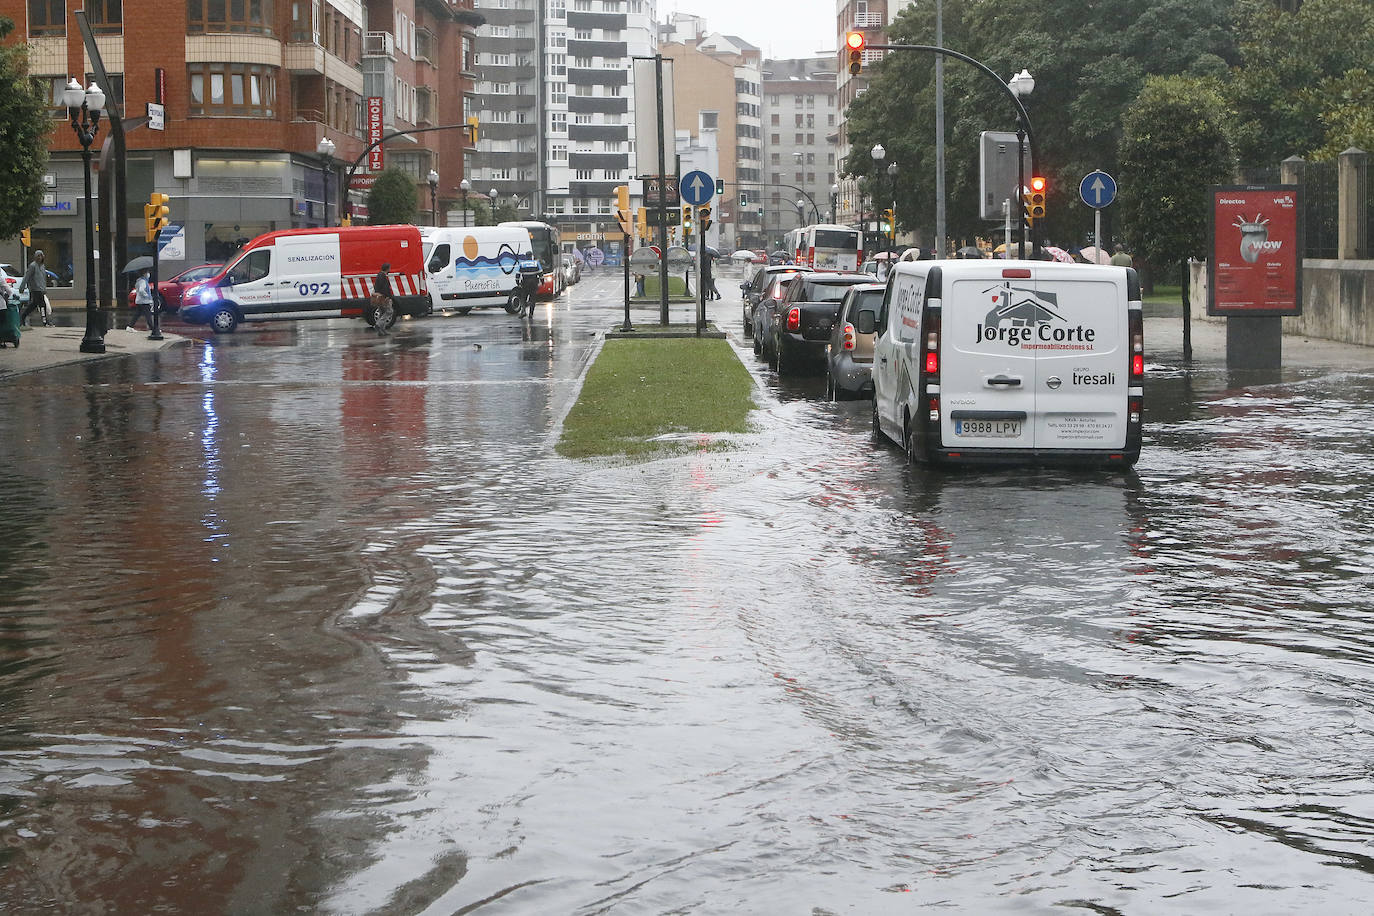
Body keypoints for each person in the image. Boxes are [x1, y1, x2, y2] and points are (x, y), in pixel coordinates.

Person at [18, 250, 51, 327]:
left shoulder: (42, 266)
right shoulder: (32, 266)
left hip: (41, 289)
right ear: (35, 257)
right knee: (42, 304)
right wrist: (22, 287)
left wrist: (44, 288)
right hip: (35, 289)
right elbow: (27, 276)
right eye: (38, 256)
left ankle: (23, 316)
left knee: (34, 304)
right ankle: (45, 321)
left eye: (41, 255)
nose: (40, 257)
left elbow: (43, 278)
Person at [371, 262, 394, 331]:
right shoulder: (383, 276)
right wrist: (388, 296)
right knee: (389, 311)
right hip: (384, 297)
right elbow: (385, 288)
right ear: (387, 268)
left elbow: (376, 287)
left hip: (379, 297)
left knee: (382, 312)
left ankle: (382, 330)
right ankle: (379, 324)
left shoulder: (379, 275)